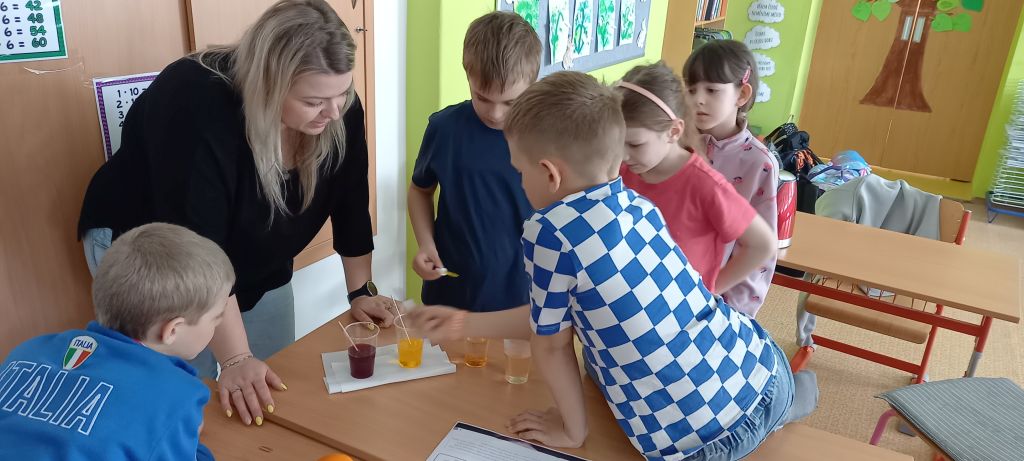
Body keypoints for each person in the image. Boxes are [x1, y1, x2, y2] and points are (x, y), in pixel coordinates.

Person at [413, 72, 802, 460]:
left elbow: (552, 344)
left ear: (550, 173)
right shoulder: (638, 205)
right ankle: (796, 398)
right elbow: (551, 318)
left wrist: (571, 430)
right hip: (766, 368)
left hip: (700, 444)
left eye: (519, 171)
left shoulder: (549, 231)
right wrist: (462, 324)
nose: (520, 180)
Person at [77, 0, 393, 426]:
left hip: (252, 253)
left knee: (270, 379)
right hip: (161, 255)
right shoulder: (195, 103)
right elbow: (198, 247)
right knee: (188, 392)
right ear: (268, 84)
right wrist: (235, 358)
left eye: (343, 93)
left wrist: (361, 292)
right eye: (315, 100)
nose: (335, 111)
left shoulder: (337, 106)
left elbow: (351, 199)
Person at [0, 223, 229, 460]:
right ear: (172, 330)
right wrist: (191, 442)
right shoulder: (177, 397)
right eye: (216, 317)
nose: (219, 323)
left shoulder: (28, 349)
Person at [408, 11, 541, 313]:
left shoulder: (546, 138)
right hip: (450, 297)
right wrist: (425, 244)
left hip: (519, 304)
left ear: (532, 85)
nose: (495, 113)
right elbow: (419, 190)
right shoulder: (444, 129)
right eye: (482, 97)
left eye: (510, 102)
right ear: (468, 75)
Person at [616, 62, 775, 297]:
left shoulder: (706, 185)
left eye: (635, 144)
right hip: (631, 298)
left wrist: (709, 292)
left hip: (680, 309)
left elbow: (762, 244)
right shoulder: (622, 169)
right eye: (617, 142)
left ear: (673, 132)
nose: (622, 154)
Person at [684, 40, 779, 318]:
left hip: (718, 300)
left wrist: (733, 310)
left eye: (712, 90)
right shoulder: (680, 145)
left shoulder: (759, 163)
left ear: (742, 94)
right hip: (671, 283)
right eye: (691, 89)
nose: (698, 99)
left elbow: (761, 251)